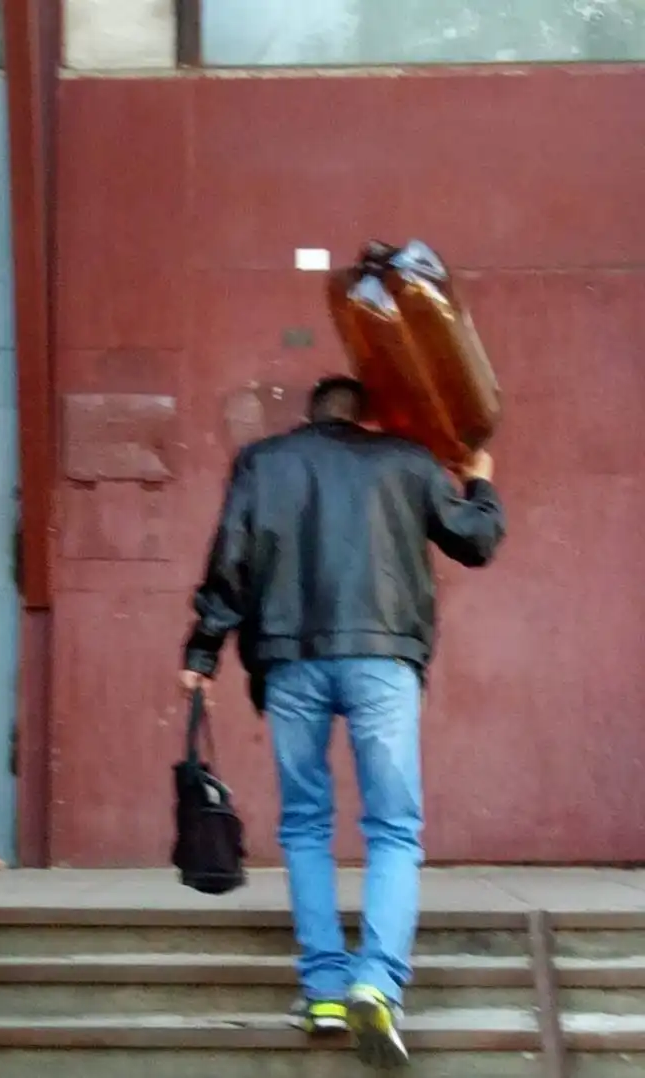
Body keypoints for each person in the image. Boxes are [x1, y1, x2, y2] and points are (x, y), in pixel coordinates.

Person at [180, 375, 506, 1068]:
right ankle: (376, 984)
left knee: (305, 824)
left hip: (289, 660)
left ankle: (324, 990)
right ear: (368, 419)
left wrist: (203, 651)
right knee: (393, 828)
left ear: (311, 417)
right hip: (383, 660)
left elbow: (231, 559)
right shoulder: (408, 460)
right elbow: (474, 541)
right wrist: (480, 480)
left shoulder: (264, 462)